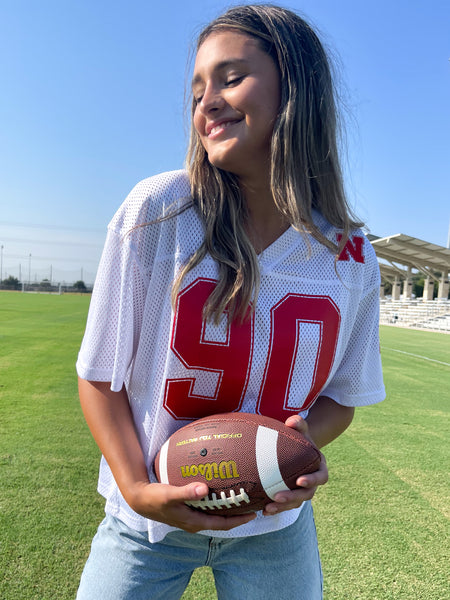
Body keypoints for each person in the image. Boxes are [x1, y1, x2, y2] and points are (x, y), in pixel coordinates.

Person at [75, 5, 385, 599]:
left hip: (273, 525)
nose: (206, 102)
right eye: (197, 91)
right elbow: (99, 379)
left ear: (296, 89)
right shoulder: (159, 211)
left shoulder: (349, 254)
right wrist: (138, 490)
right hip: (145, 525)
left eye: (230, 77)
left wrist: (302, 446)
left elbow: (342, 398)